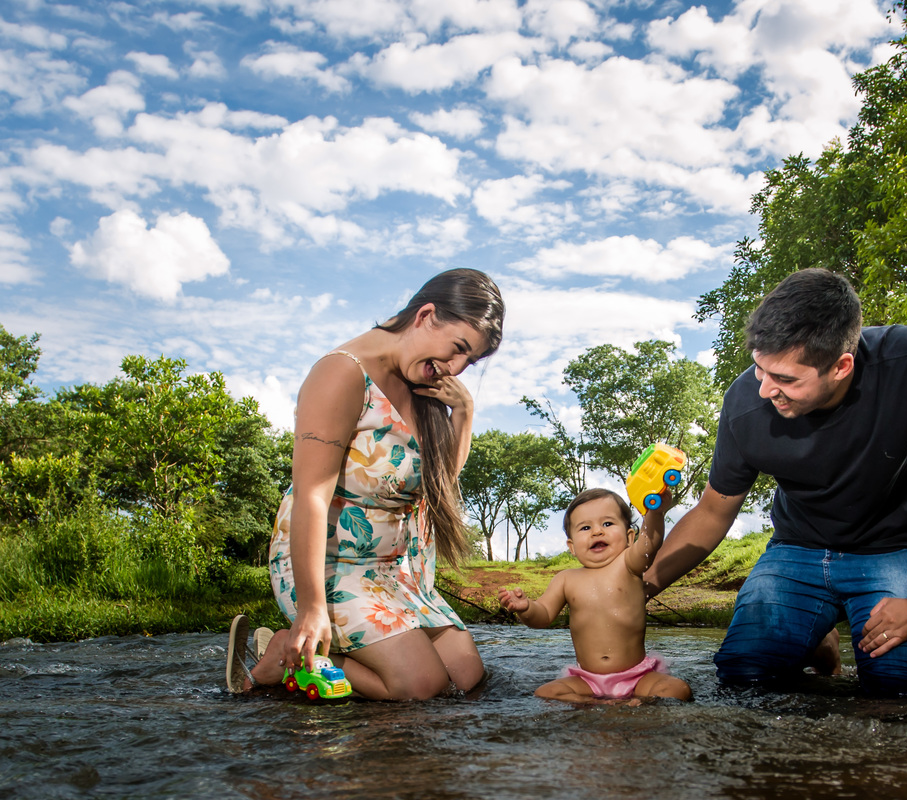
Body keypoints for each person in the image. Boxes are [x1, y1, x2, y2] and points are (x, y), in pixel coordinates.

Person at [643, 268, 907, 698]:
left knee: (903, 692)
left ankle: (825, 634)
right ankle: (817, 636)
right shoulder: (743, 403)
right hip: (797, 551)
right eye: (760, 368)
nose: (764, 390)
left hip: (895, 549)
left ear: (841, 366)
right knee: (744, 679)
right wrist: (638, 588)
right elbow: (713, 512)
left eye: (786, 379)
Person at [225, 268, 504, 700]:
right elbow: (312, 496)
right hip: (334, 562)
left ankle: (319, 657)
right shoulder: (342, 373)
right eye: (459, 350)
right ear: (427, 315)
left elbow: (438, 486)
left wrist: (464, 414)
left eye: (471, 361)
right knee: (420, 686)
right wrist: (312, 609)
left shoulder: (425, 386)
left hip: (398, 568)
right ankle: (284, 653)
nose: (457, 369)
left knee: (466, 678)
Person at [498, 488, 693, 704]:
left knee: (677, 688)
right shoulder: (566, 579)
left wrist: (655, 513)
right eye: (585, 527)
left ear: (630, 537)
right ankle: (594, 703)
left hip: (638, 676)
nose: (597, 532)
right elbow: (543, 615)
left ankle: (640, 701)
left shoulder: (629, 564)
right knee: (545, 692)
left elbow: (650, 542)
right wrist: (526, 608)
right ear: (571, 546)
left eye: (607, 524)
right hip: (588, 680)